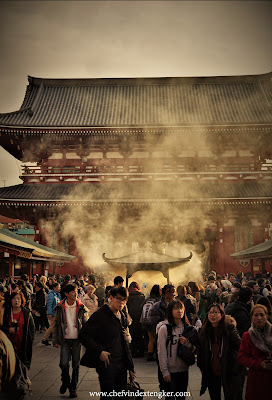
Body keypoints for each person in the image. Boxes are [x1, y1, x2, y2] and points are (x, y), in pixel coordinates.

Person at [79, 286, 135, 400]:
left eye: (124, 299)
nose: (121, 302)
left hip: (121, 363)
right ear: (111, 298)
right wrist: (99, 351)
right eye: (118, 299)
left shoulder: (122, 315)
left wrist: (131, 367)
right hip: (107, 363)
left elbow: (124, 342)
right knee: (107, 395)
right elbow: (83, 335)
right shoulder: (100, 315)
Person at [197, 303, 243, 400]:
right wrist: (202, 367)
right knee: (214, 395)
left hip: (228, 369)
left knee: (230, 395)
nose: (213, 315)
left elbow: (239, 346)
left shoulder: (229, 329)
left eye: (216, 312)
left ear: (222, 315)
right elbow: (201, 351)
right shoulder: (204, 331)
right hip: (212, 370)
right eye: (210, 313)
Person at [53, 283, 89, 398]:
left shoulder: (80, 306)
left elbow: (85, 323)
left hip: (77, 340)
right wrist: (55, 340)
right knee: (63, 364)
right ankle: (65, 381)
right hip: (65, 340)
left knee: (76, 365)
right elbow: (56, 324)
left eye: (76, 291)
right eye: (73, 292)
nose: (75, 294)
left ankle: (73, 388)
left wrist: (87, 339)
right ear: (66, 294)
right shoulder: (60, 307)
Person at [157, 299, 196, 399]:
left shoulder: (187, 328)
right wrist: (164, 371)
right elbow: (161, 351)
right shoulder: (164, 329)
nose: (179, 311)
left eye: (181, 308)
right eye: (175, 308)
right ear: (170, 311)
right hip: (170, 370)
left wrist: (187, 343)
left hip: (183, 369)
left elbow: (194, 349)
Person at [238, 304, 272, 400]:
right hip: (256, 380)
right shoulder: (247, 336)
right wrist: (259, 363)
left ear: (266, 316)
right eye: (256, 315)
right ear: (252, 317)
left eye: (262, 315)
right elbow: (242, 357)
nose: (259, 318)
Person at [1, 291, 35, 369]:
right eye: (14, 299)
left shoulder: (26, 313)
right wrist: (8, 330)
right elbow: (1, 327)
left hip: (22, 345)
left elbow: (31, 328)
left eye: (18, 299)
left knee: (22, 368)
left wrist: (30, 341)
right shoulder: (6, 313)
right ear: (10, 300)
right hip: (8, 345)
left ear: (22, 300)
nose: (16, 301)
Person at [141, 284, 162, 361]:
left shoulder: (148, 299)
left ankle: (150, 354)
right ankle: (157, 354)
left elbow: (141, 307)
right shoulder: (159, 300)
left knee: (151, 339)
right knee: (158, 338)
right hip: (155, 321)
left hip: (146, 321)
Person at [127, 281, 145, 358]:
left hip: (131, 318)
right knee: (140, 335)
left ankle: (133, 351)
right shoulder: (142, 296)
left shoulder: (128, 297)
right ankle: (141, 351)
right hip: (140, 318)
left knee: (133, 335)